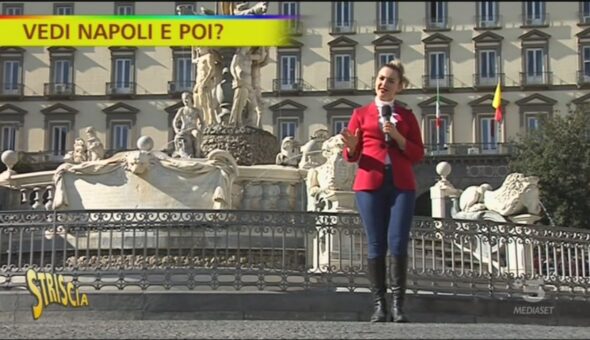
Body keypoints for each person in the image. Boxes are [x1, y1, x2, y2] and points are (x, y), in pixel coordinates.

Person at [340, 60, 424, 323]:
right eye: (380, 79)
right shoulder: (361, 114)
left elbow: (418, 153)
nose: (383, 84)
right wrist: (353, 147)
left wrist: (398, 137)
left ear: (399, 87)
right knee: (376, 244)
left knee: (398, 242)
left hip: (401, 185)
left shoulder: (407, 116)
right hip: (369, 183)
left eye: (390, 80)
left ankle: (399, 306)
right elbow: (351, 156)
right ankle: (379, 306)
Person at [173, 91, 204, 158]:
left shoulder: (196, 110)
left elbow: (202, 122)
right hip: (184, 129)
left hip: (193, 128)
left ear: (191, 99)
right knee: (177, 138)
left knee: (197, 134)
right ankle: (180, 152)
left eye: (187, 98)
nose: (185, 101)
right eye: (184, 99)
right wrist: (176, 129)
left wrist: (201, 129)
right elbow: (175, 120)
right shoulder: (181, 110)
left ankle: (197, 153)